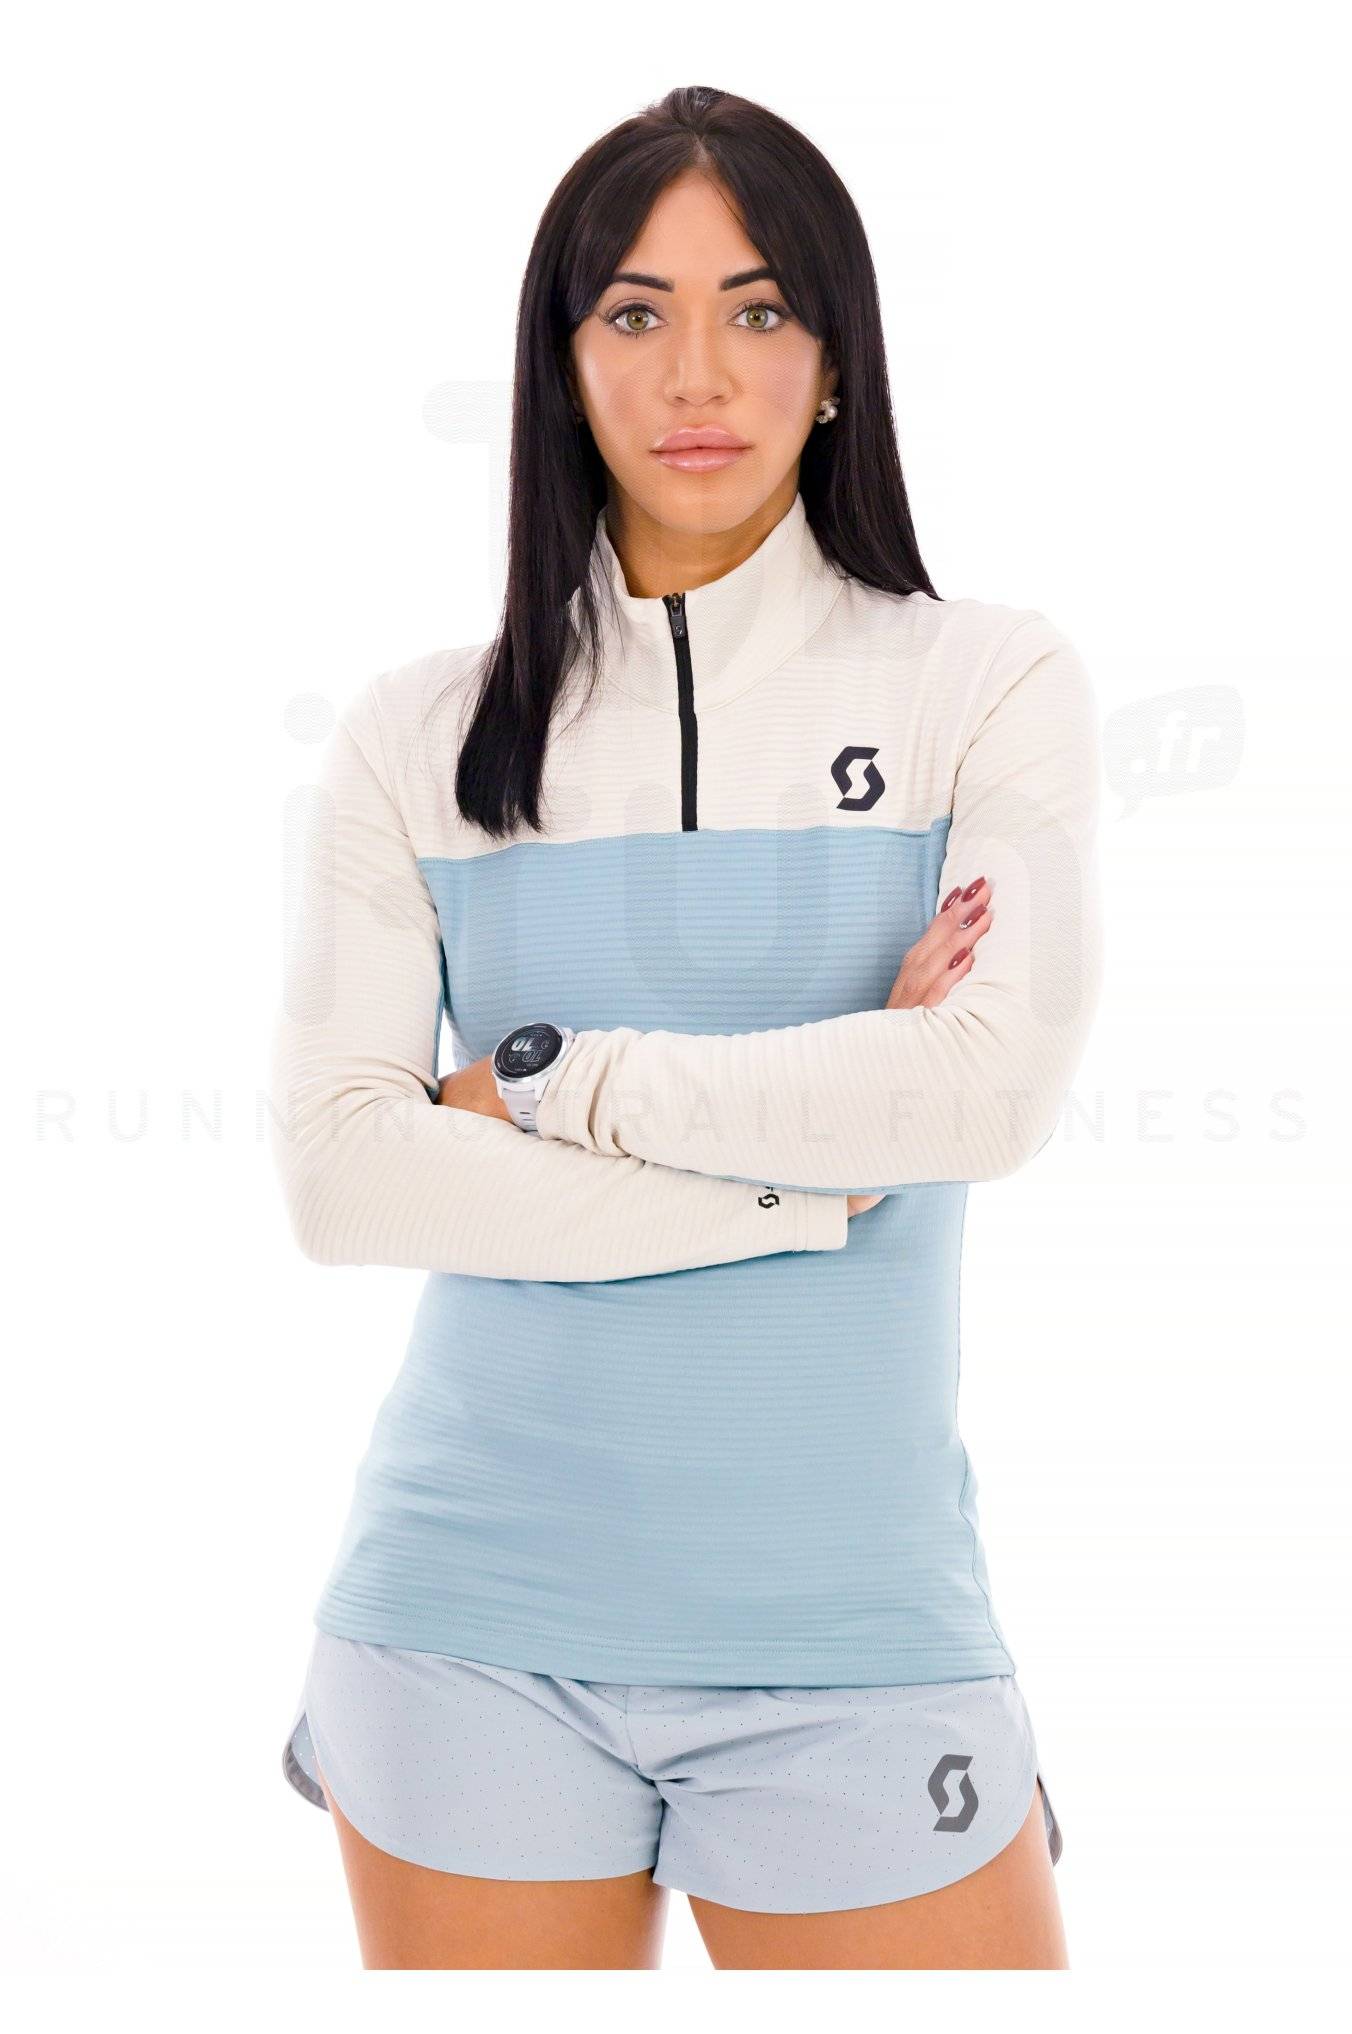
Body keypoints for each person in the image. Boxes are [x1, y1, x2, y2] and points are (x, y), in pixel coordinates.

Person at [269, 83, 1102, 1969]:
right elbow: (343, 1178)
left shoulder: (984, 681)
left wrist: (541, 1084)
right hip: (464, 1624)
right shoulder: (419, 734)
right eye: (634, 312)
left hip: (860, 1635)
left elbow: (982, 1094)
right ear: (563, 364)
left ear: (838, 360)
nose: (697, 373)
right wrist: (809, 1184)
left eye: (761, 307)